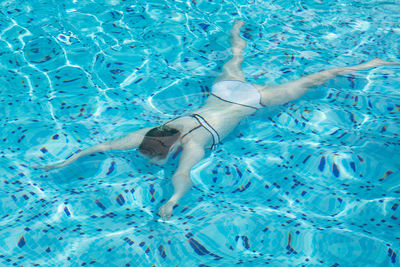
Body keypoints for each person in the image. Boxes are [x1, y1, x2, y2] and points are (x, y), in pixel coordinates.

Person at [34, 21, 399, 219]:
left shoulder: (191, 145)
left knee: (309, 80)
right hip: (223, 92)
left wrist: (173, 201)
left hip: (254, 101)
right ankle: (238, 33)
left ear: (169, 145)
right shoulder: (158, 132)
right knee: (240, 60)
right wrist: (68, 159)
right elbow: (104, 145)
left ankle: (368, 65)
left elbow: (182, 176)